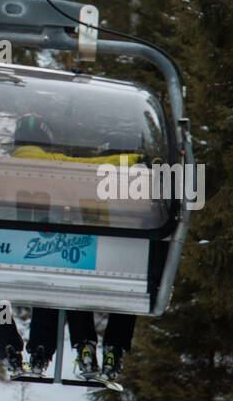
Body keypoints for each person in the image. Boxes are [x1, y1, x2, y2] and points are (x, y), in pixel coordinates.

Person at [11, 112, 140, 380]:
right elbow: (96, 165)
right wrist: (137, 160)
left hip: (28, 245)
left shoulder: (10, 164)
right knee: (115, 287)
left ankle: (49, 350)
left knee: (58, 285)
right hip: (107, 247)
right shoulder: (57, 163)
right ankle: (111, 348)